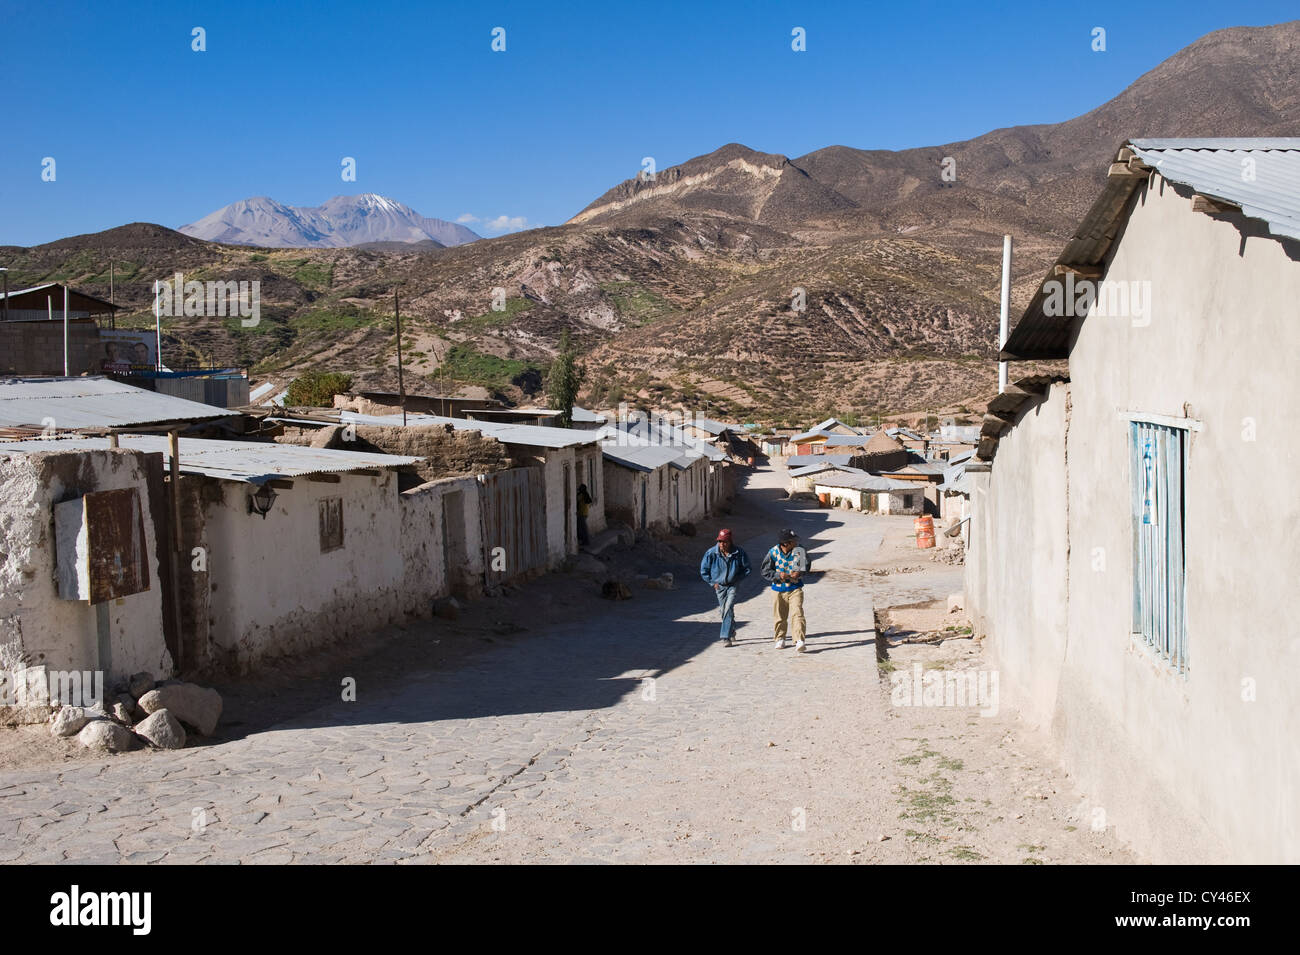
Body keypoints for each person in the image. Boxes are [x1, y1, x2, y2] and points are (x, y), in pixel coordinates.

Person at [699, 528, 751, 647]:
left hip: (733, 585)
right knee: (724, 610)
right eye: (720, 541)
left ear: (730, 542)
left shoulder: (739, 553)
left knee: (728, 608)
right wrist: (713, 583)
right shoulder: (711, 553)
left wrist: (738, 578)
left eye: (725, 542)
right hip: (719, 587)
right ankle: (731, 630)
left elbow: (747, 568)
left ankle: (725, 637)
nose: (722, 544)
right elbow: (704, 571)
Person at [761, 528, 809, 651]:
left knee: (797, 613)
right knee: (779, 615)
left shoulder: (800, 550)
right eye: (793, 541)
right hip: (778, 589)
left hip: (795, 588)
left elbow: (806, 566)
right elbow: (765, 571)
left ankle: (799, 640)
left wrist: (799, 572)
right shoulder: (773, 552)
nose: (795, 542)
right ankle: (780, 638)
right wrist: (778, 575)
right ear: (785, 543)